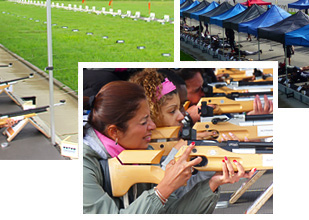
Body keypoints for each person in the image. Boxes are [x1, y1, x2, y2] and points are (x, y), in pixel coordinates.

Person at [82, 81, 255, 213]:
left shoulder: (143, 154)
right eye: (144, 122)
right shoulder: (83, 166)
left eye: (150, 117)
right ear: (114, 132)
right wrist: (161, 191)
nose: (152, 126)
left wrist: (213, 183)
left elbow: (172, 212)